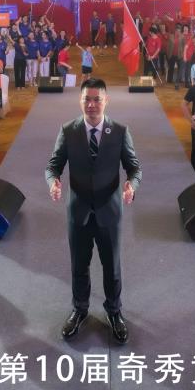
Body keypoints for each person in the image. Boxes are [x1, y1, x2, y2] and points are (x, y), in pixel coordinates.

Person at [46, 78, 141, 345]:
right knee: (79, 265)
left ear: (106, 100)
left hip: (109, 212)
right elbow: (53, 166)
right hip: (78, 213)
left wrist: (132, 185)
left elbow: (134, 167)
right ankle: (80, 309)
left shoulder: (120, 131)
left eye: (96, 99)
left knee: (112, 267)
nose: (91, 105)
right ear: (80, 101)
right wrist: (53, 181)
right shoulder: (68, 130)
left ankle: (114, 311)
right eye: (86, 99)